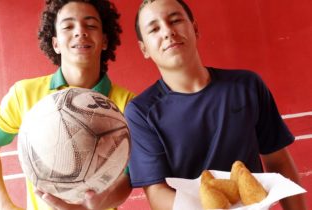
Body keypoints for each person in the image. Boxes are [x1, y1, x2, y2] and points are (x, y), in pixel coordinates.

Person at [124, 0, 307, 209]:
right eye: (154, 29)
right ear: (144, 48)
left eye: (175, 20)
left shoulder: (246, 85)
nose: (167, 32)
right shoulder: (141, 112)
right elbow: (156, 192)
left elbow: (278, 161)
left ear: (194, 29)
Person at [0, 0, 134, 210]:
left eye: (91, 25)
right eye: (68, 26)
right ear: (56, 43)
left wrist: (92, 207)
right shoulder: (24, 94)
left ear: (104, 40)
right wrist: (1, 204)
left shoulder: (129, 106)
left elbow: (132, 177)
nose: (80, 32)